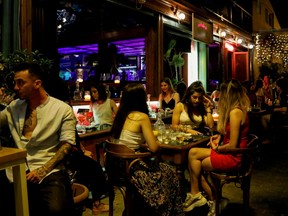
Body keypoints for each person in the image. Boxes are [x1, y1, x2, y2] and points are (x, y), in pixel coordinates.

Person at [0, 62, 76, 216]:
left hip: (49, 170)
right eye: (15, 82)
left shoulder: (62, 109)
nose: (15, 87)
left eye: (21, 82)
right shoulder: (14, 107)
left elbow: (67, 145)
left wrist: (43, 170)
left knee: (55, 209)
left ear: (37, 83)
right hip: (17, 170)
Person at [110, 83, 184, 216]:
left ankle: (139, 208)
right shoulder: (142, 117)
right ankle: (164, 210)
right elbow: (154, 148)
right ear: (140, 98)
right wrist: (158, 144)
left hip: (114, 167)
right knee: (169, 172)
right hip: (131, 168)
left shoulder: (120, 116)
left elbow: (127, 142)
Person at [183, 79, 250, 216]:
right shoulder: (237, 109)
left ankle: (205, 198)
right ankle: (197, 195)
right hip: (231, 154)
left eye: (222, 95)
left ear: (228, 95)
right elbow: (230, 134)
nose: (221, 98)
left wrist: (217, 148)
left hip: (233, 157)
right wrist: (220, 136)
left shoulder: (235, 112)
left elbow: (232, 145)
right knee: (193, 154)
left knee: (195, 162)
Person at [261, 77, 288, 143]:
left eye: (277, 85)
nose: (276, 87)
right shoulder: (282, 94)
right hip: (281, 117)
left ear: (280, 86)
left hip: (283, 118)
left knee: (263, 118)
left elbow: (285, 108)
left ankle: (269, 137)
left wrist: (275, 109)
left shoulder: (283, 94)